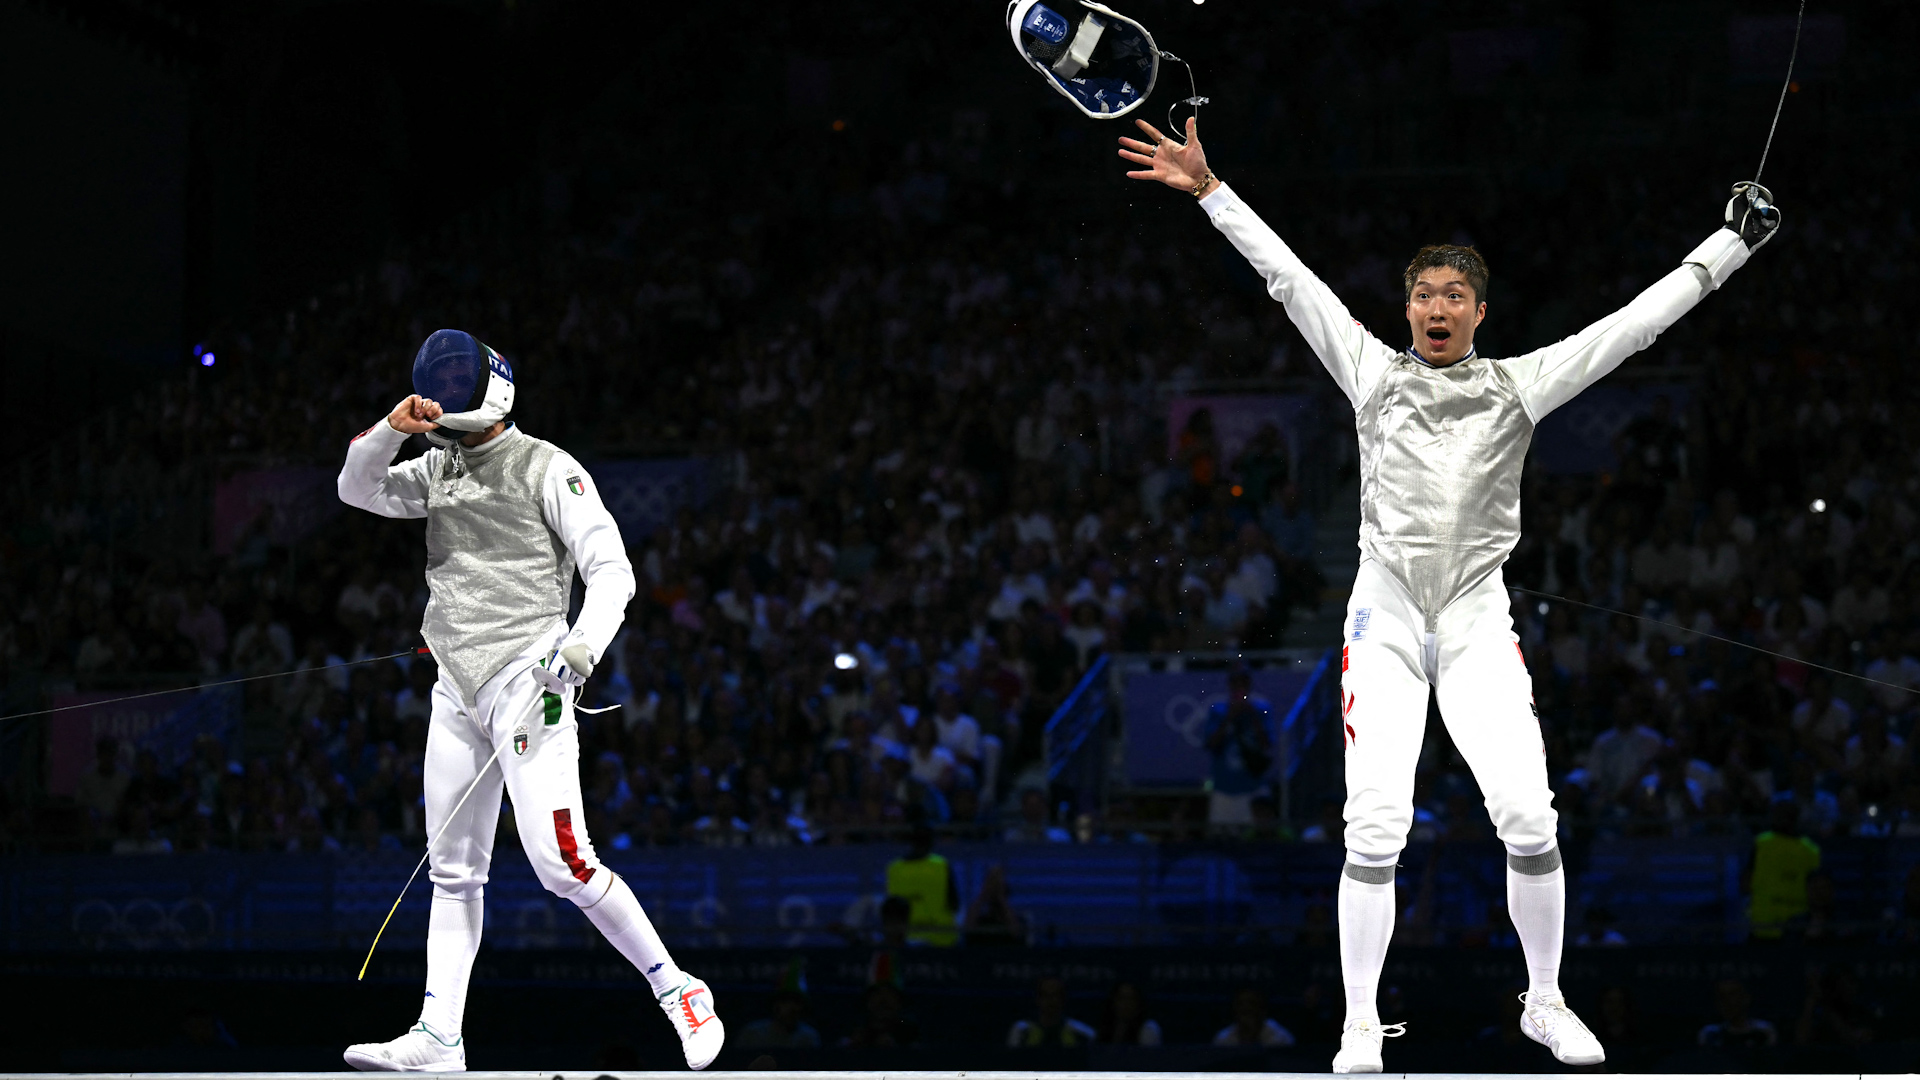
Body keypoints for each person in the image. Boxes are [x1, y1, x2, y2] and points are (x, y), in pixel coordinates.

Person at [1119, 112, 1773, 1072]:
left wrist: (1730, 245)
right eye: (1423, 292)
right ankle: (1357, 1022)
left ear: (1476, 312)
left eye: (1453, 294)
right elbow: (1289, 281)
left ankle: (1545, 1002)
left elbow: (1635, 326)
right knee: (1374, 820)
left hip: (1474, 619)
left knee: (1529, 813)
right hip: (1382, 618)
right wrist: (1211, 190)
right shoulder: (1373, 376)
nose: (1435, 305)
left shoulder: (1519, 387)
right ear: (1409, 306)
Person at [336, 330, 722, 1071]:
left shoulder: (547, 466)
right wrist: (390, 428)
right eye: (436, 382)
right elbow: (357, 488)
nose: (444, 392)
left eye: (455, 378)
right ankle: (439, 1036)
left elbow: (611, 569)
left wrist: (581, 646)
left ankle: (679, 988)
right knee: (453, 870)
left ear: (491, 386)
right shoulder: (438, 468)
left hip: (530, 680)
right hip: (456, 685)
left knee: (562, 864)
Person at [1205, 664, 1274, 828]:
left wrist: (1252, 716)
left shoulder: (1261, 709)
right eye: (1235, 683)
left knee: (1256, 839)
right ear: (1229, 686)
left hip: (1252, 787)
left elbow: (1266, 744)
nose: (1239, 688)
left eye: (1243, 683)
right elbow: (1211, 744)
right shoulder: (1218, 710)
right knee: (1221, 838)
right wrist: (1229, 716)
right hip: (1224, 789)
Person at [1747, 798, 1821, 940]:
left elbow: (1816, 890)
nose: (1783, 819)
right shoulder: (1762, 843)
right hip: (1763, 926)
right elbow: (1747, 881)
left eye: (1787, 815)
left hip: (1797, 929)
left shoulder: (1811, 850)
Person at [884, 817, 959, 946]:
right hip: (942, 940)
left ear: (911, 841)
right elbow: (955, 904)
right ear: (931, 841)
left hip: (907, 940)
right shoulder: (941, 865)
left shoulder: (894, 868)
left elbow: (891, 910)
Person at [1007, 975, 1097, 1047]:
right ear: (1038, 999)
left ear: (1063, 999)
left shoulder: (1084, 1033)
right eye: (1045, 995)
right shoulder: (1021, 1030)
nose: (1051, 1001)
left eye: (1055, 995)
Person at [1697, 979, 1778, 1049]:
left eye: (1732, 994)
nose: (1727, 1001)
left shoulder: (1764, 1031)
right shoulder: (1710, 1034)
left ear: (1746, 998)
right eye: (1722, 996)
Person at [1213, 986, 1297, 1047]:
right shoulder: (1223, 1038)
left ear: (1262, 1008)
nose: (1246, 1008)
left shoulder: (1281, 1037)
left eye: (1252, 1003)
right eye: (1240, 1004)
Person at [1098, 981, 1162, 1046]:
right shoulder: (1107, 1027)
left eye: (1131, 999)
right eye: (1121, 998)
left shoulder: (1148, 1029)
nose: (1126, 1004)